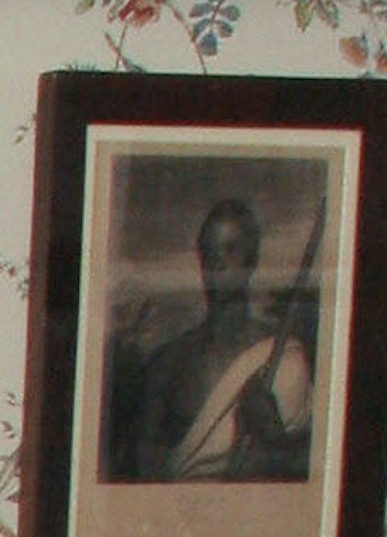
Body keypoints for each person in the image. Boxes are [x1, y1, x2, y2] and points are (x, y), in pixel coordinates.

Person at [104, 191, 317, 484]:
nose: (217, 262)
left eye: (230, 250)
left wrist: (272, 438)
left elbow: (310, 476)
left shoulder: (286, 358)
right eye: (209, 252)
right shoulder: (167, 364)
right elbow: (143, 472)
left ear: (252, 259)